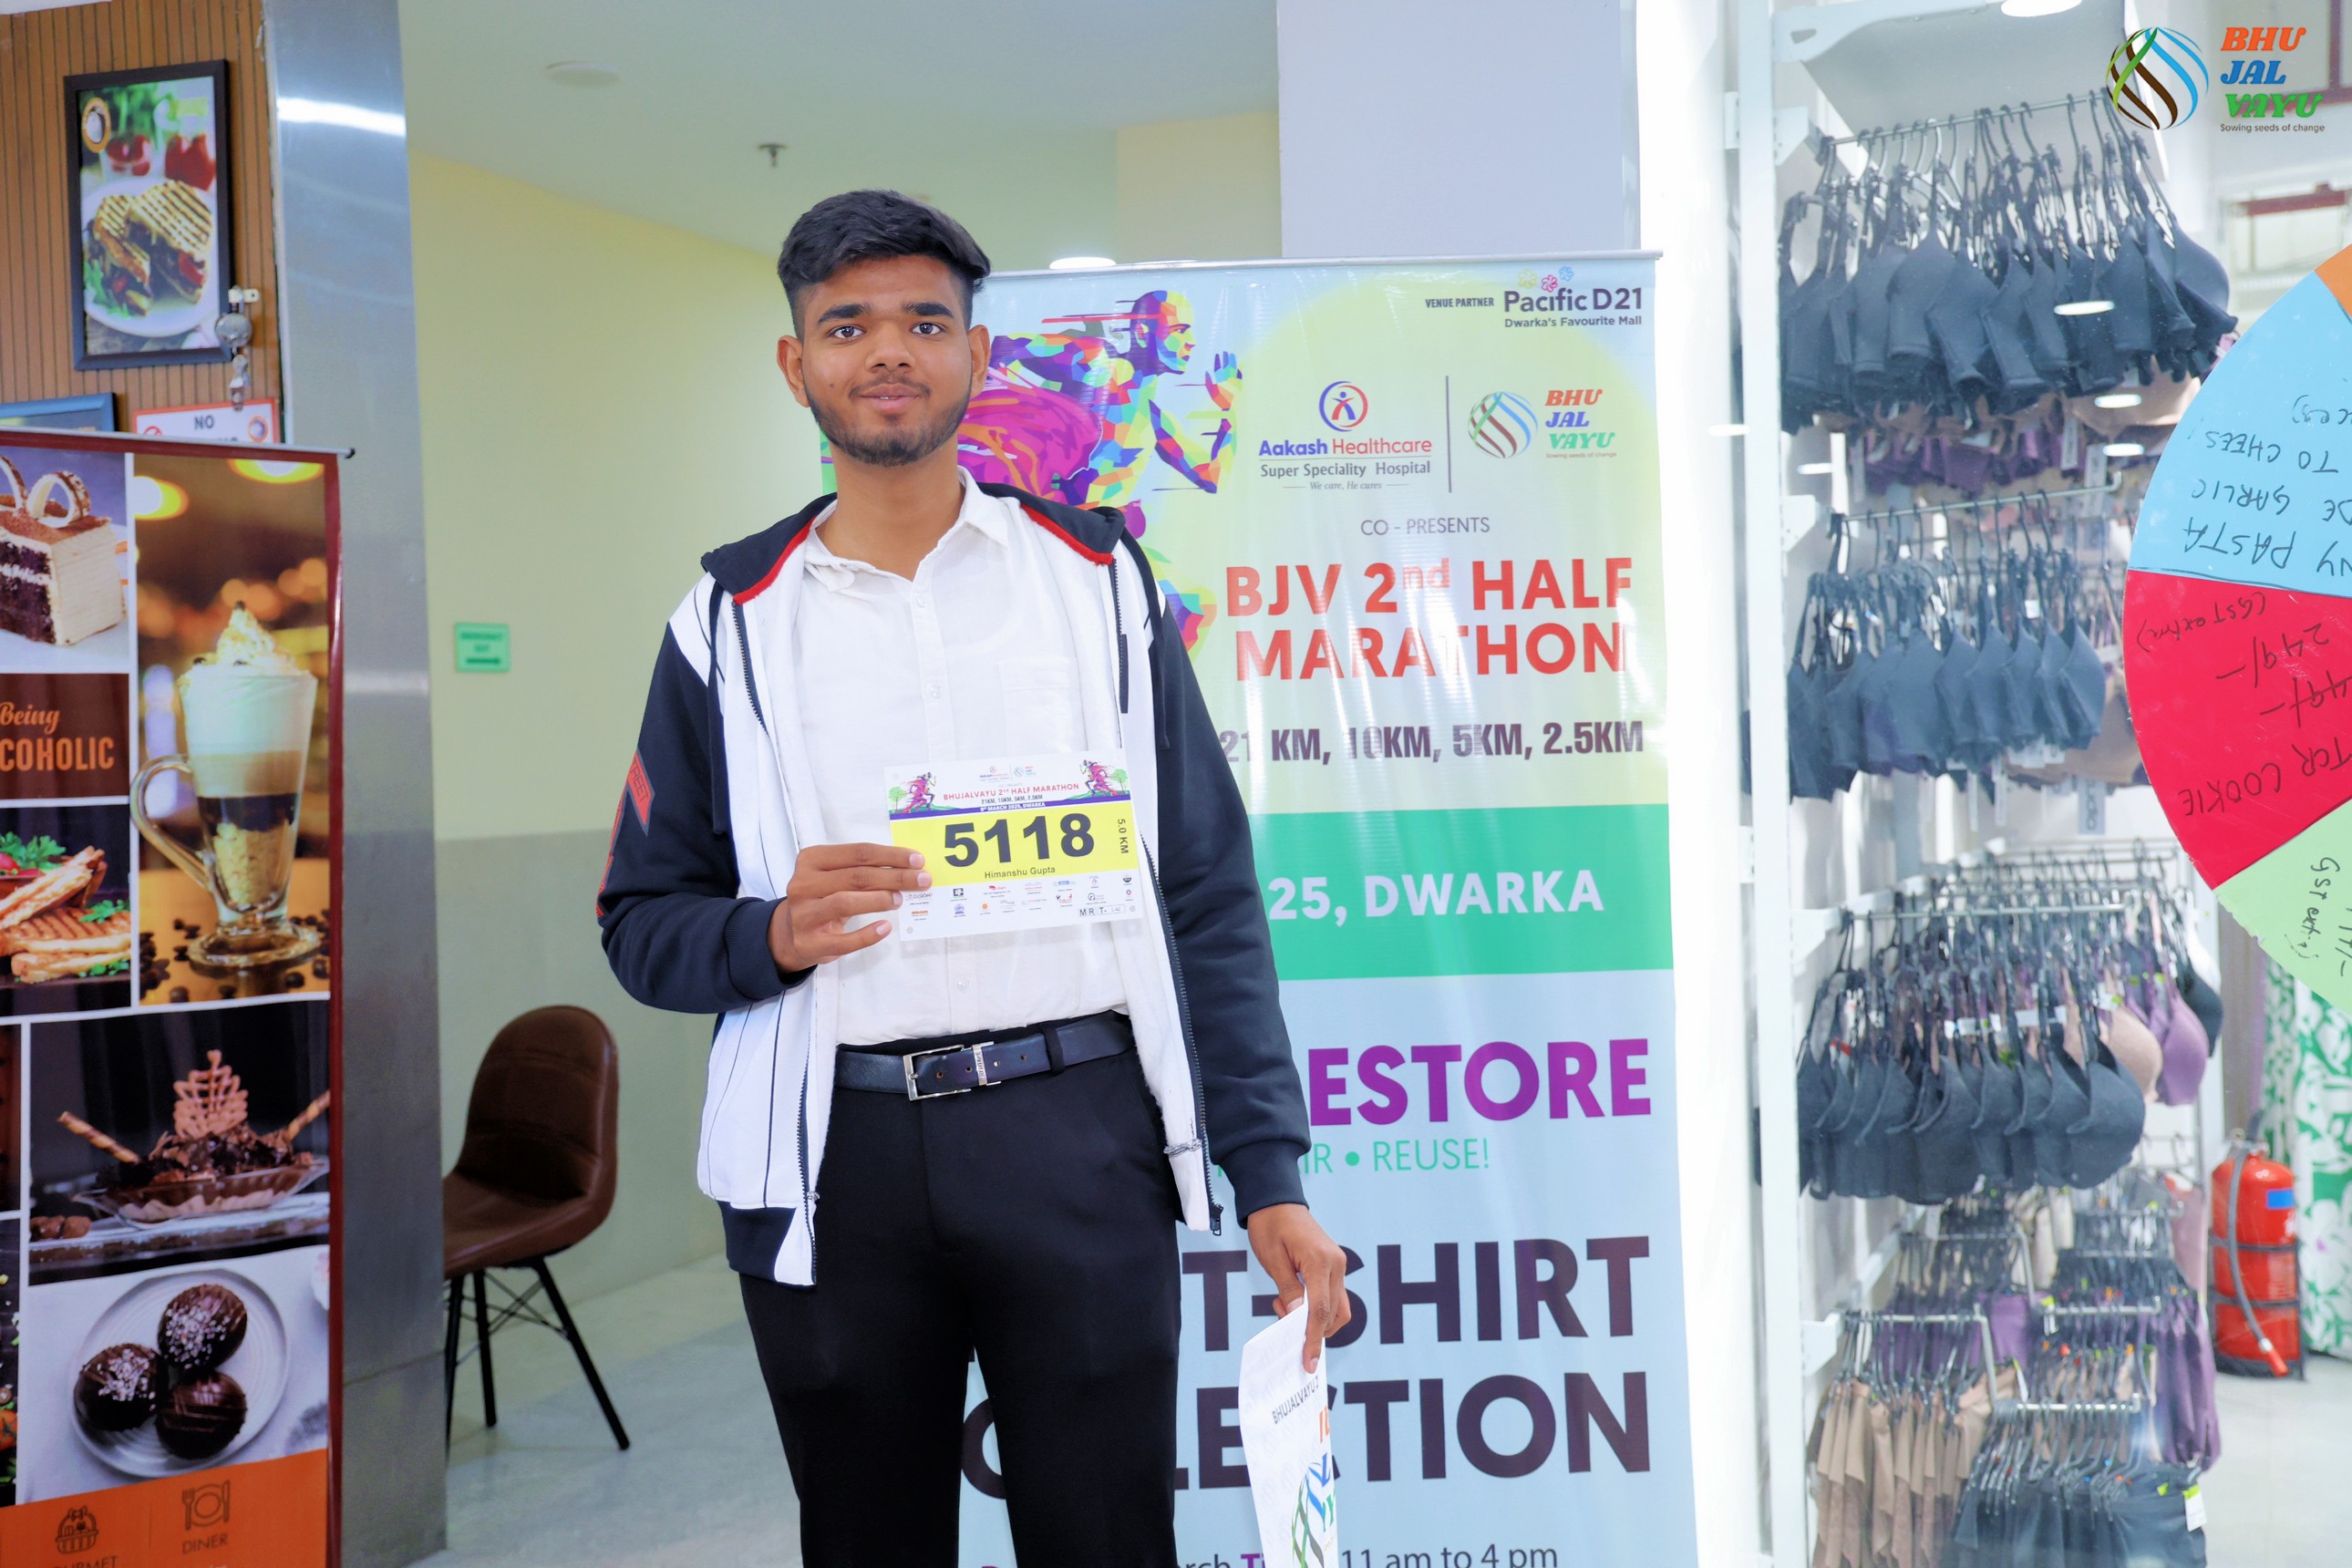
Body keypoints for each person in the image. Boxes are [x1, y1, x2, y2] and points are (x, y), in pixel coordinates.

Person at [596, 189, 1346, 1566]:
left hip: (1080, 1134)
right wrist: (771, 934)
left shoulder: (1098, 583)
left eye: (925, 322)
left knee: (1109, 1539)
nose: (889, 350)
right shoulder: (727, 621)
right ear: (796, 364)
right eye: (848, 326)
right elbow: (639, 922)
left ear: (978, 355)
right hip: (836, 1156)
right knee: (868, 1542)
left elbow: (1204, 894)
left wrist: (1268, 1173)